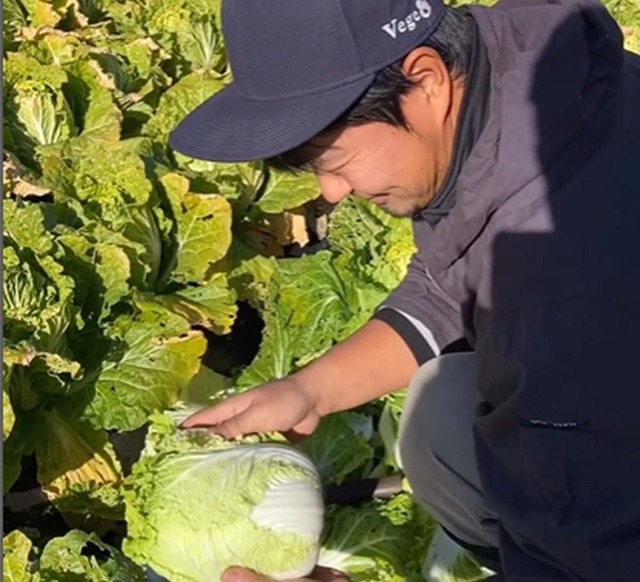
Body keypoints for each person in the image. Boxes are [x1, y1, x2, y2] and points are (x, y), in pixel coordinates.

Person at [170, 0, 640, 580]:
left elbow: (602, 558)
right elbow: (452, 281)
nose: (332, 192)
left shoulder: (559, 299)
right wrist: (310, 391)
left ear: (426, 80)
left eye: (336, 160)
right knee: (443, 417)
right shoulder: (525, 93)